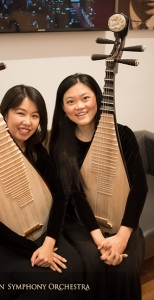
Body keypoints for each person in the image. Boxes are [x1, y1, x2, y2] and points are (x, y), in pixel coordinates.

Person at [0, 84, 85, 300]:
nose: (27, 122)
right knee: (46, 283)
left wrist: (49, 243)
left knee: (75, 265)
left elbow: (59, 196)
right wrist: (34, 251)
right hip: (0, 239)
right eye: (20, 113)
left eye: (35, 115)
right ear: (5, 114)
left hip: (40, 230)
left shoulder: (37, 151)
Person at [49, 73, 148, 300]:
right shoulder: (61, 144)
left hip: (121, 218)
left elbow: (139, 188)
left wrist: (122, 236)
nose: (80, 106)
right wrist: (100, 240)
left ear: (98, 99)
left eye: (85, 98)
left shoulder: (123, 134)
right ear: (63, 108)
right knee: (93, 260)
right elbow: (76, 195)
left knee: (124, 265)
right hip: (80, 222)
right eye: (70, 101)